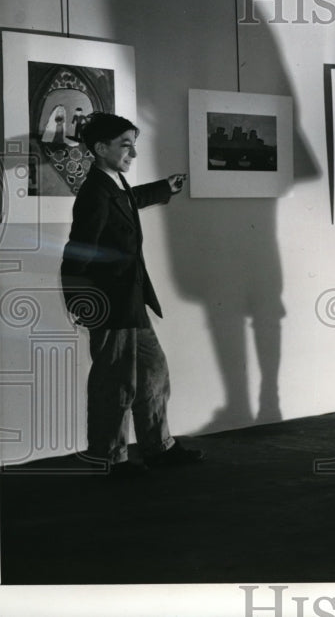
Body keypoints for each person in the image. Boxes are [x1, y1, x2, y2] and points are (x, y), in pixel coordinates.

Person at [61, 112, 205, 478]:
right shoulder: (94, 193)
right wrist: (81, 301)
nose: (133, 154)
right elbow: (77, 252)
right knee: (115, 383)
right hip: (110, 304)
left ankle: (159, 448)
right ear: (100, 148)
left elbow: (128, 200)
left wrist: (164, 188)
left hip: (130, 300)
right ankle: (108, 459)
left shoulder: (112, 183)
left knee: (154, 373)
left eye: (133, 146)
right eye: (126, 146)